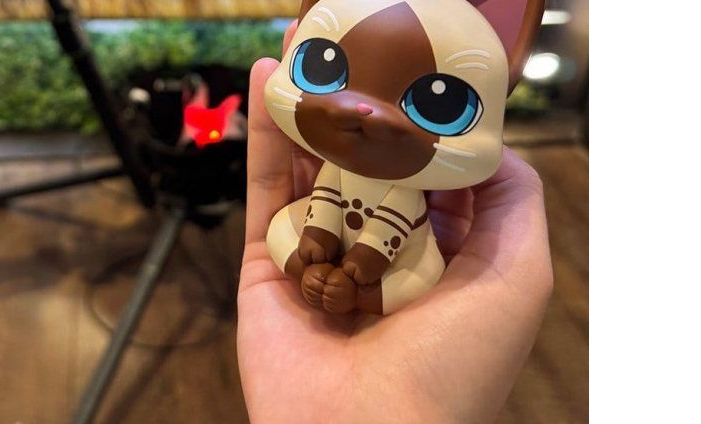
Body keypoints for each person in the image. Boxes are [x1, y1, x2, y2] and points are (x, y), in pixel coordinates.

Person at [237, 30, 554, 423]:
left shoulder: (405, 186)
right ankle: (306, 269)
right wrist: (318, 235)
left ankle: (365, 296)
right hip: (334, 231)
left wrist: (365, 261)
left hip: (397, 251)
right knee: (280, 228)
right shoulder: (338, 163)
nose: (365, 109)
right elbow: (326, 194)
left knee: (424, 275)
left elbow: (396, 219)